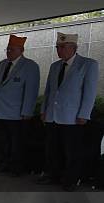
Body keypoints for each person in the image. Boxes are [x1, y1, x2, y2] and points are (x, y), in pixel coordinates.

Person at [38, 32, 99, 191]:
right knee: (53, 149)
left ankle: (70, 179)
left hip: (72, 117)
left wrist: (84, 114)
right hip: (52, 116)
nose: (59, 50)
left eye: (62, 47)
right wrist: (44, 110)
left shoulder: (88, 65)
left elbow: (90, 92)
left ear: (73, 47)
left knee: (72, 151)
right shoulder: (55, 66)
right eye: (57, 47)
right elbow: (49, 91)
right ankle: (53, 175)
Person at [0, 34, 40, 176]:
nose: (8, 51)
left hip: (17, 113)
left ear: (21, 50)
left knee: (16, 143)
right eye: (7, 49)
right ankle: (2, 163)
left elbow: (31, 91)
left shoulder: (30, 66)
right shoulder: (2, 64)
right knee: (1, 141)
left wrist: (27, 111)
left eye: (12, 49)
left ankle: (16, 168)